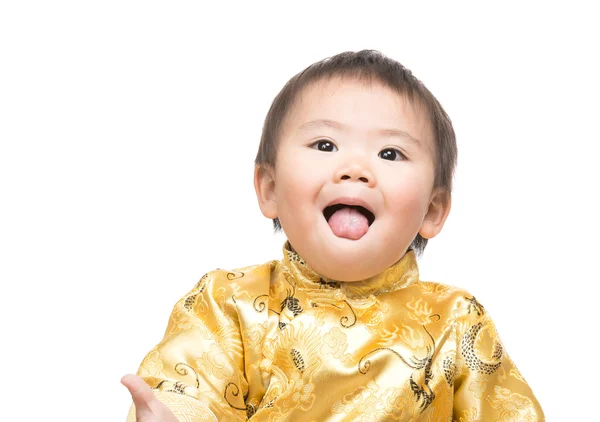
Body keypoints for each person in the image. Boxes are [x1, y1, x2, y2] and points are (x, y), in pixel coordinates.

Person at [121, 50, 544, 421]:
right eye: (325, 145)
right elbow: (191, 391)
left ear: (432, 210)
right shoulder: (229, 303)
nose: (355, 168)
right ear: (269, 189)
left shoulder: (456, 321)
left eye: (390, 153)